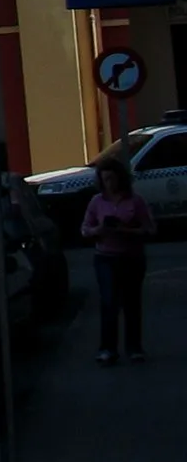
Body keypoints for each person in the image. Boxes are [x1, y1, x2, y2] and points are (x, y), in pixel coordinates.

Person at [82, 156, 156, 364]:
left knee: (132, 302)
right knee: (109, 302)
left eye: (113, 179)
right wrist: (99, 230)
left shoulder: (135, 201)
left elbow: (150, 229)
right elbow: (85, 229)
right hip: (106, 257)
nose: (110, 184)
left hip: (131, 257)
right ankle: (107, 348)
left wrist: (127, 230)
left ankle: (134, 347)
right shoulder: (96, 202)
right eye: (105, 180)